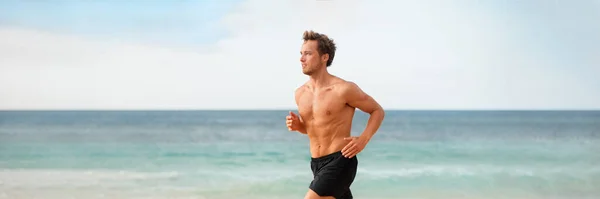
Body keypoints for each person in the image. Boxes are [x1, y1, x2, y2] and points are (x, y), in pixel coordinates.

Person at [286, 30, 385, 199]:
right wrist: (299, 126)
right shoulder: (300, 93)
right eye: (301, 54)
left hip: (341, 160)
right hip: (316, 164)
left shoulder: (343, 89)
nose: (301, 59)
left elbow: (377, 111)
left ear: (325, 57)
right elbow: (315, 128)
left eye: (308, 54)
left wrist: (363, 140)